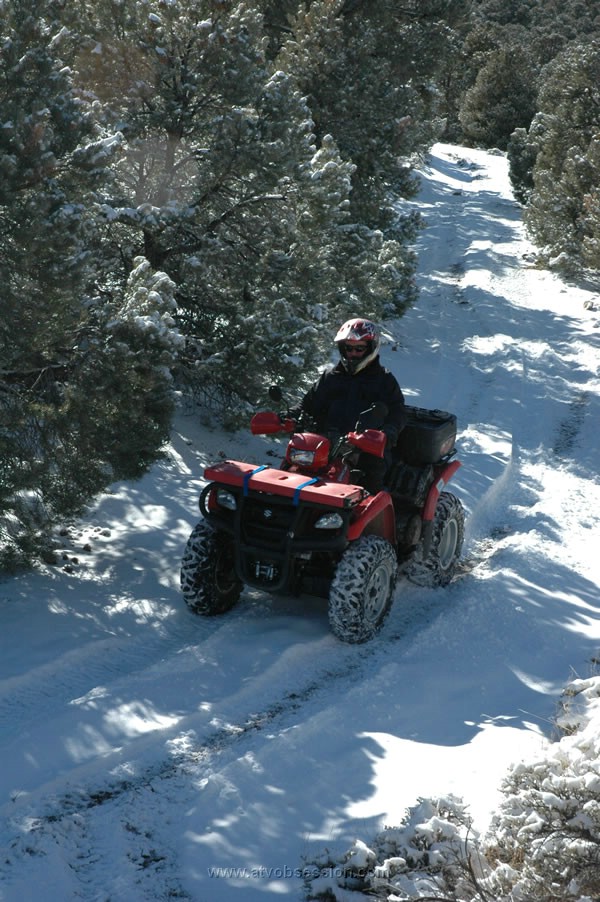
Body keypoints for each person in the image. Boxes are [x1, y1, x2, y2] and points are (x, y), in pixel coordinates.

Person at [295, 318, 406, 493]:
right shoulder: (331, 377)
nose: (353, 353)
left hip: (365, 448)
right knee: (293, 468)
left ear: (370, 348)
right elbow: (308, 403)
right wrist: (292, 415)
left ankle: (370, 517)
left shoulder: (384, 381)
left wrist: (388, 432)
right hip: (324, 444)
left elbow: (397, 412)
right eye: (349, 348)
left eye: (359, 348)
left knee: (369, 482)